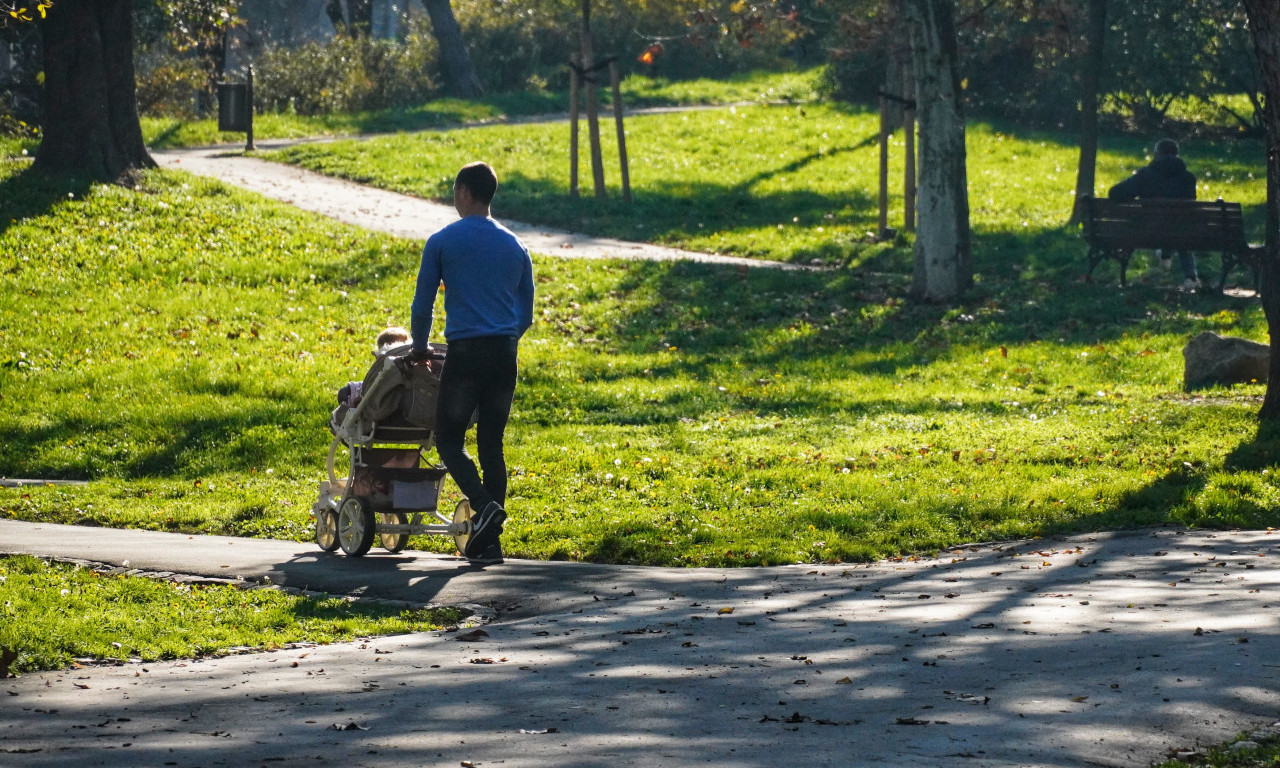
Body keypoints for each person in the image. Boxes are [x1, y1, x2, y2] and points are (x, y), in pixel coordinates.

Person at [409, 161, 534, 566]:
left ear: (464, 192)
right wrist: (506, 337)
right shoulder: (516, 246)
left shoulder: (443, 241)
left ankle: (484, 507)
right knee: (491, 444)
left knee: (448, 439)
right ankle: (489, 542)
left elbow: (423, 302)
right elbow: (525, 312)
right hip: (504, 354)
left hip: (465, 354)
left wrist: (419, 347)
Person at [1108, 138, 1201, 290]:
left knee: (1169, 225)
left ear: (1157, 154)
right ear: (1177, 155)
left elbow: (1115, 193)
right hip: (1180, 232)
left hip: (1148, 231)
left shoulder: (1146, 175)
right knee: (1180, 228)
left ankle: (1164, 254)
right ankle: (1190, 277)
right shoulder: (1188, 178)